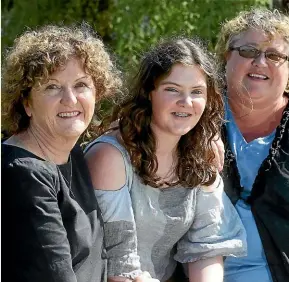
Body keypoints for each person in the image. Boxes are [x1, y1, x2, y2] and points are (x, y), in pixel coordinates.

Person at [1, 23, 157, 282]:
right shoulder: (23, 175)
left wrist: (203, 142)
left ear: (97, 91)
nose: (70, 99)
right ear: (26, 102)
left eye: (81, 85)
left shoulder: (69, 150)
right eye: (52, 86)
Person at [84, 36, 247, 282]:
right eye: (172, 89)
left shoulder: (201, 155)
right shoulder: (111, 157)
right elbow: (120, 265)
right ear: (149, 92)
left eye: (197, 92)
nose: (186, 102)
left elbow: (207, 245)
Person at [214, 8, 289, 282]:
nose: (260, 61)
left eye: (275, 56)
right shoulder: (192, 117)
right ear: (226, 57)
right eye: (248, 51)